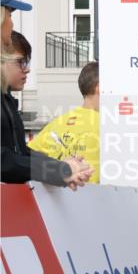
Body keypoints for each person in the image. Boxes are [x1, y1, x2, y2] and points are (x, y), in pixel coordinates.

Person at [2, 31, 92, 188]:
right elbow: (5, 161)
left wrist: (61, 168)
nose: (27, 69)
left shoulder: (7, 100)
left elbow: (20, 154)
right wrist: (61, 169)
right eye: (21, 62)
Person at [29, 61, 101, 183]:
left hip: (57, 198)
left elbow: (27, 157)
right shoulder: (107, 125)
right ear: (100, 88)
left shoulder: (57, 122)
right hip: (95, 197)